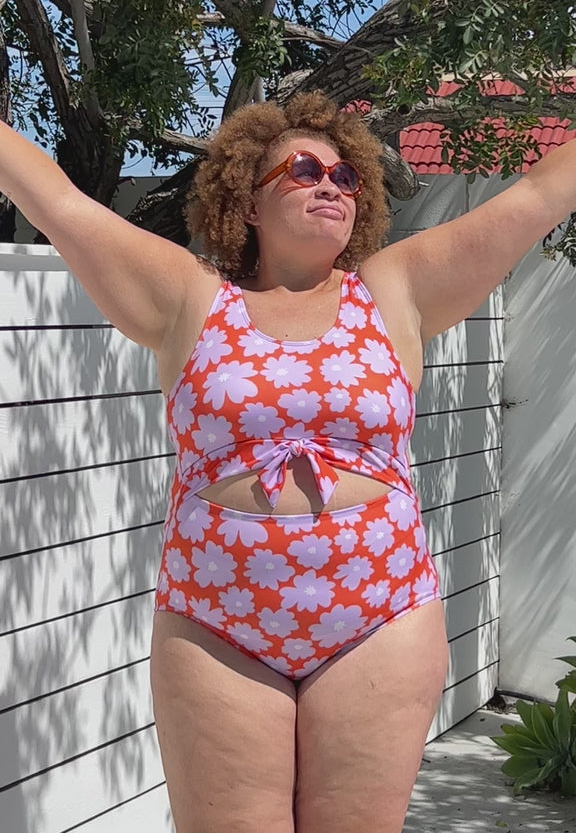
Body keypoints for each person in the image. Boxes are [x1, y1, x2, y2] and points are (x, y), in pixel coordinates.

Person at [1, 89, 575, 833]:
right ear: (248, 203)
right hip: (216, 626)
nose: (331, 184)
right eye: (304, 170)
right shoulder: (191, 298)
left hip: (378, 616)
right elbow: (56, 202)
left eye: (346, 176)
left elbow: (537, 195)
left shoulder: (395, 290)